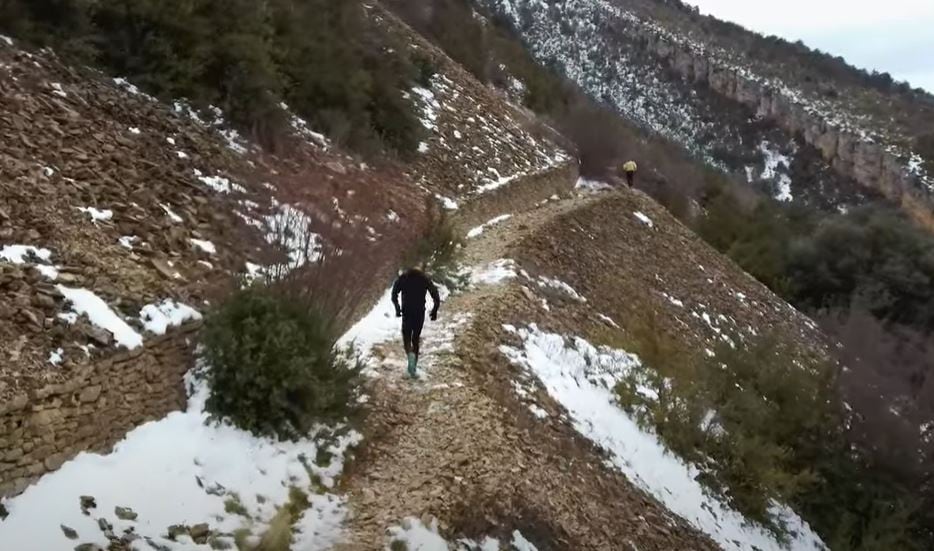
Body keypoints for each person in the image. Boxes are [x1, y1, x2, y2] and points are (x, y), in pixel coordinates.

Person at [391, 267, 441, 378]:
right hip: (419, 313)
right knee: (416, 339)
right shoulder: (424, 278)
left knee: (406, 337)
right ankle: (413, 369)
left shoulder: (403, 278)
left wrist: (397, 309)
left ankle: (410, 355)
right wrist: (434, 311)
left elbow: (394, 295)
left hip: (407, 312)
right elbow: (436, 296)